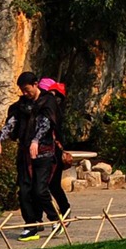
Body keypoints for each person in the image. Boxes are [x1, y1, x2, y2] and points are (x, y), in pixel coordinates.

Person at [0, 71, 59, 242]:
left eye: (27, 90)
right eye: (22, 91)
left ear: (36, 85)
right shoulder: (21, 105)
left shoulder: (48, 101)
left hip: (44, 152)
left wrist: (36, 140)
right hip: (24, 153)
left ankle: (55, 219)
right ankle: (31, 225)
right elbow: (11, 124)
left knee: (39, 189)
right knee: (24, 190)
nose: (25, 94)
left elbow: (46, 123)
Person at [39, 79, 71, 225]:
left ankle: (65, 211)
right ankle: (36, 219)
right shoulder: (46, 106)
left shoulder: (51, 108)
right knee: (41, 185)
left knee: (51, 185)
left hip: (53, 150)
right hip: (41, 150)